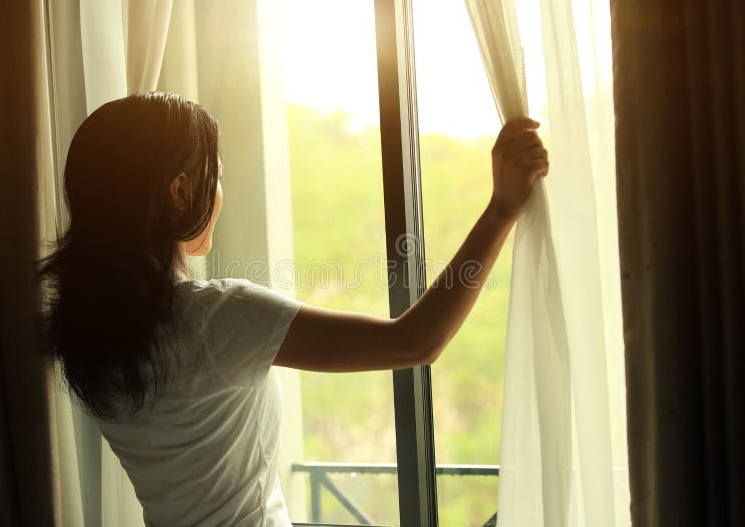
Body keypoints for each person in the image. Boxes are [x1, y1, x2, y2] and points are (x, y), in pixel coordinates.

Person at [37, 91, 548, 526]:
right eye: (215, 175)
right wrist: (501, 209)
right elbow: (415, 341)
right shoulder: (217, 319)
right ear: (179, 191)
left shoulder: (88, 332)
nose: (220, 192)